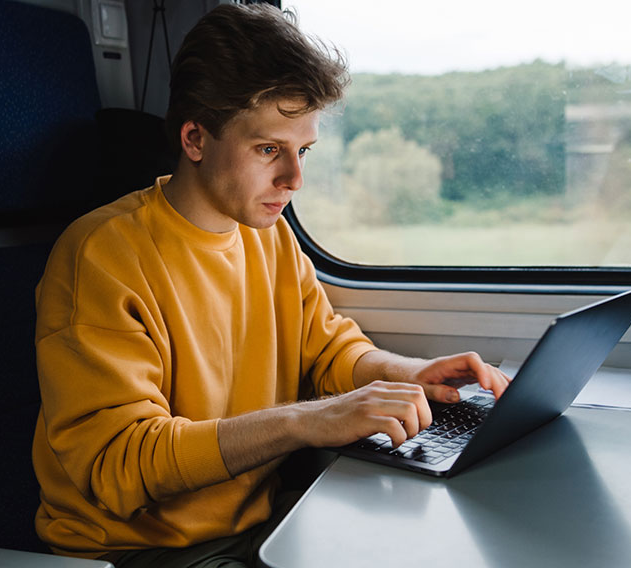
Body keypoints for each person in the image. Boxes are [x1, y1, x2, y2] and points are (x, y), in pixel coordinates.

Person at [31, 4, 512, 566]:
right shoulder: (103, 257)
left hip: (257, 520)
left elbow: (327, 348)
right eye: (268, 150)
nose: (294, 179)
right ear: (195, 139)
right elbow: (120, 466)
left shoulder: (269, 236)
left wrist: (408, 374)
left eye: (302, 151)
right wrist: (305, 421)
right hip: (140, 551)